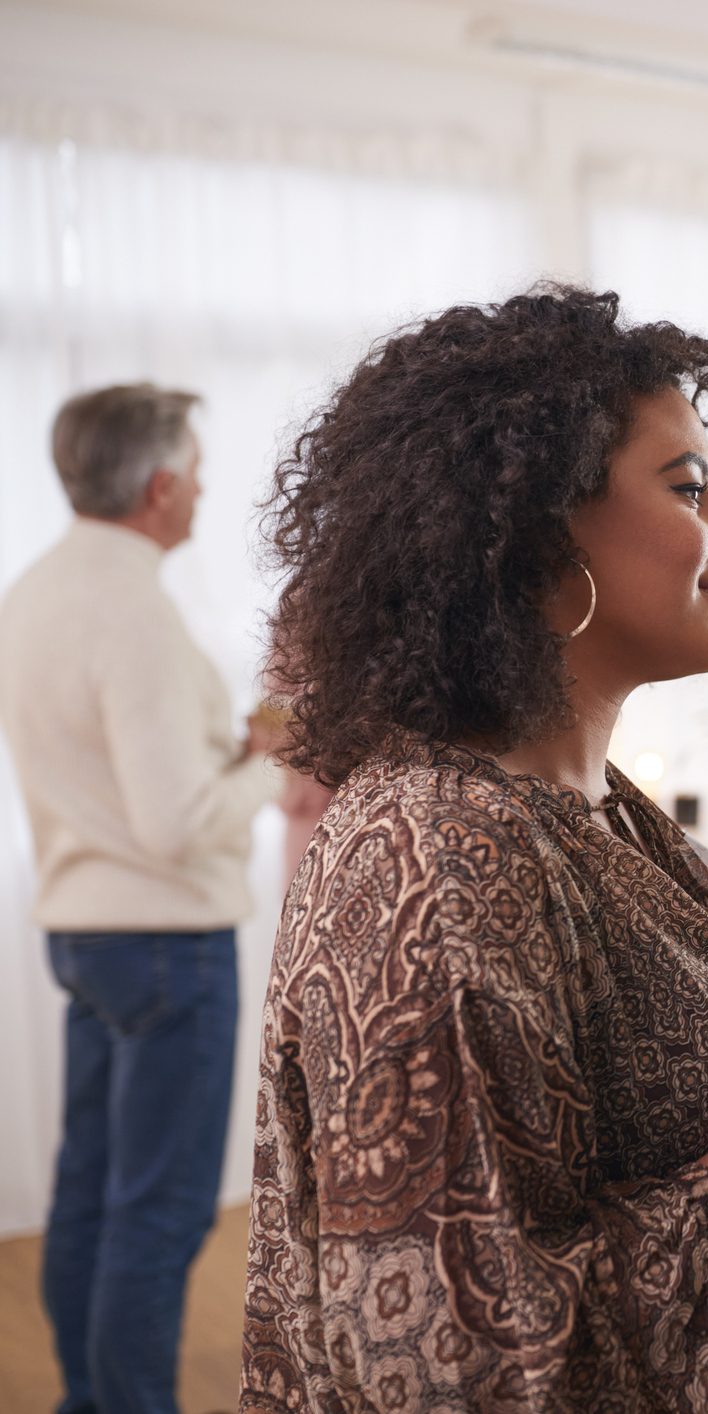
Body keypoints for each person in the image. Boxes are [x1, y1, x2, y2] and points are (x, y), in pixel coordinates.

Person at [241, 285, 708, 1411]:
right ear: (534, 530)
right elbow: (466, 1367)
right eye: (687, 488)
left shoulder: (591, 803)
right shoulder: (438, 860)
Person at [0, 384, 284, 1414]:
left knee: (88, 1197)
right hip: (168, 943)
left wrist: (232, 750)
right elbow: (172, 824)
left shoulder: (33, 592)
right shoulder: (135, 612)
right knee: (158, 1215)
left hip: (85, 936)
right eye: (199, 471)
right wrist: (275, 762)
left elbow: (113, 778)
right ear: (161, 486)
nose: (205, 487)